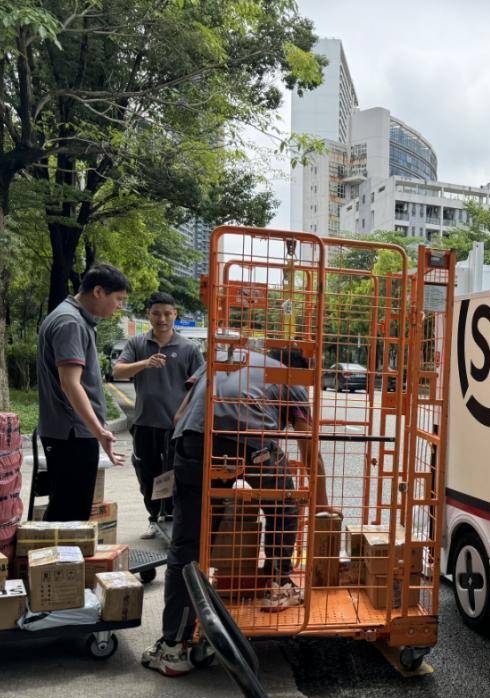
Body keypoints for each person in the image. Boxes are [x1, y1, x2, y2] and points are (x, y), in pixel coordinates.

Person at [142, 346, 329, 677]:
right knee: (285, 502)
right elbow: (308, 447)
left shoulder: (224, 358)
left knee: (189, 543)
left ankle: (173, 647)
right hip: (253, 444)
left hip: (193, 440)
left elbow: (178, 415)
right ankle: (278, 584)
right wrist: (322, 505)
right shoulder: (291, 378)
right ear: (301, 367)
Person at [37, 264, 128, 521]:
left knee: (67, 509)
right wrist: (98, 431)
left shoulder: (73, 318)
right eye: (118, 298)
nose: (119, 306)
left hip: (72, 432)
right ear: (98, 291)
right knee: (69, 515)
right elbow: (70, 383)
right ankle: (58, 549)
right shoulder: (70, 323)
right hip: (72, 433)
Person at [112, 293, 204, 538]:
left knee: (177, 474)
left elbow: (201, 385)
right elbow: (118, 371)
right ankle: (154, 518)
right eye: (156, 313)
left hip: (178, 426)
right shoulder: (137, 344)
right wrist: (145, 363)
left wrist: (184, 414)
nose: (162, 319)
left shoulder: (189, 348)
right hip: (145, 422)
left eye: (167, 313)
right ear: (148, 315)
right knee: (147, 474)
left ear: (175, 314)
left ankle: (175, 520)